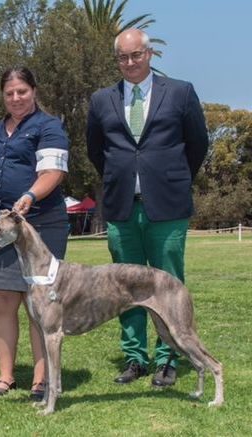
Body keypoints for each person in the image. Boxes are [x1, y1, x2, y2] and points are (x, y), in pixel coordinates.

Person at [86, 29, 208, 387]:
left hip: (167, 207)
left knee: (168, 285)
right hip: (121, 209)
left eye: (135, 55)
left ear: (149, 54)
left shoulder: (181, 92)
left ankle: (168, 357)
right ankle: (135, 358)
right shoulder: (100, 100)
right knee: (123, 287)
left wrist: (172, 178)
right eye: (122, 58)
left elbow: (197, 144)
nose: (129, 63)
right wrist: (121, 177)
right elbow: (97, 151)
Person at [0, 67, 69, 398]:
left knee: (39, 304)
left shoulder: (49, 126)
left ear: (34, 91)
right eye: (9, 93)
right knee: (1, 299)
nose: (15, 98)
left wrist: (29, 196)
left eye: (22, 91)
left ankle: (41, 380)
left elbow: (53, 171)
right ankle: (5, 377)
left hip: (41, 223)